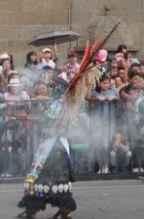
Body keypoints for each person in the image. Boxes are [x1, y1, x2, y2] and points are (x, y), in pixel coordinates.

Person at [16, 28, 116, 219]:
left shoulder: (66, 105)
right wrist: (30, 118)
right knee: (36, 177)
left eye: (56, 87)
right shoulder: (54, 103)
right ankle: (33, 208)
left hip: (57, 147)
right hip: (47, 146)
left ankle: (62, 209)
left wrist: (33, 118)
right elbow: (46, 117)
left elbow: (54, 120)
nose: (54, 88)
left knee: (55, 179)